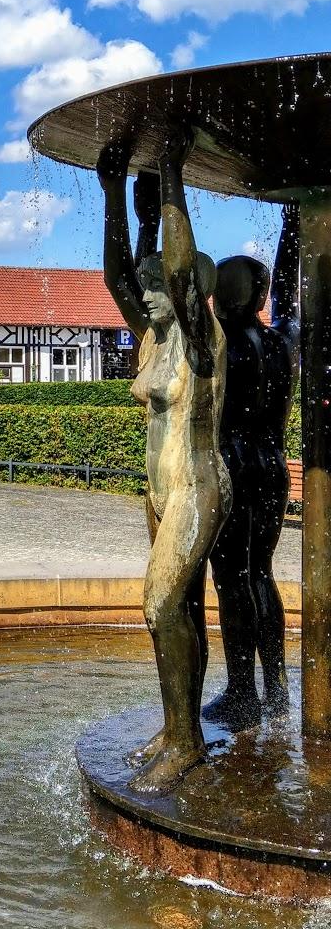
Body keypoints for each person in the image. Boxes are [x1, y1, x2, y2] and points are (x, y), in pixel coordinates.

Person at [97, 129, 231, 794]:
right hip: (159, 490)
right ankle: (180, 727)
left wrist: (172, 174)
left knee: (157, 605)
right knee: (178, 613)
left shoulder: (202, 336)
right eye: (147, 283)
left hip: (198, 487)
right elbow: (117, 274)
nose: (146, 289)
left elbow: (173, 271)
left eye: (160, 283)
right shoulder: (153, 337)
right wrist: (113, 197)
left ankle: (184, 744)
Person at [204, 207, 299, 727]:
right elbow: (289, 296)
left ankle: (242, 691)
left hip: (233, 468)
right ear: (260, 297)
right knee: (261, 573)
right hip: (273, 469)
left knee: (232, 578)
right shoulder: (283, 342)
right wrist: (290, 230)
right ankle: (277, 688)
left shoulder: (221, 342)